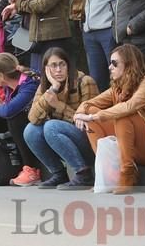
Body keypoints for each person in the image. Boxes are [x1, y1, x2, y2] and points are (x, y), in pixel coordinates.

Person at [74, 44, 145, 194]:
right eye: (110, 63)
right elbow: (89, 103)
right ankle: (108, 173)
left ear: (130, 64)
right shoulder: (118, 86)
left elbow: (129, 106)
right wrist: (80, 114)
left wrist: (93, 116)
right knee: (91, 112)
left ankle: (128, 172)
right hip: (129, 144)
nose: (110, 67)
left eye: (114, 63)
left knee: (121, 116)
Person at [23, 47, 99, 189]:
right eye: (53, 65)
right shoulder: (45, 86)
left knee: (51, 126)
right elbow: (32, 118)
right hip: (62, 140)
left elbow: (88, 121)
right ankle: (59, 174)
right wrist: (54, 88)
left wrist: (58, 105)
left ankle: (84, 175)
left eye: (62, 64)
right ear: (46, 69)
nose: (58, 70)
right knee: (30, 130)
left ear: (68, 65)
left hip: (88, 139)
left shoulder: (85, 81)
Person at [0, 53, 40, 185]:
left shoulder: (30, 83)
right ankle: (0, 165)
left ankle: (31, 169)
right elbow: (8, 107)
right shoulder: (8, 86)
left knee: (14, 118)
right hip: (21, 121)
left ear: (1, 75)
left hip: (38, 123)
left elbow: (9, 111)